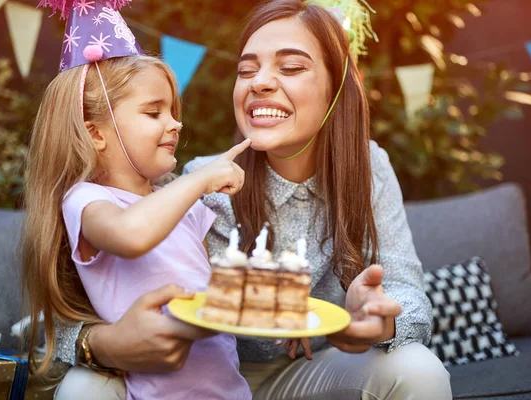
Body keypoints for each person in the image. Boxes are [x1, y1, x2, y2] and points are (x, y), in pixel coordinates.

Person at [52, 0, 453, 399]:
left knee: (417, 369)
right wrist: (101, 346)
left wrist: (379, 320)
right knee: (82, 386)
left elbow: (407, 293)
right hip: (202, 380)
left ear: (336, 86)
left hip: (314, 376)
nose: (259, 82)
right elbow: (64, 314)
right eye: (246, 70)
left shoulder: (370, 167)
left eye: (291, 67)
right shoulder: (198, 186)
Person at [21, 1, 253, 399]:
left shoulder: (183, 208)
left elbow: (213, 294)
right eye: (154, 112)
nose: (176, 123)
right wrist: (198, 180)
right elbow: (130, 235)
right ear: (96, 133)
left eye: (174, 111)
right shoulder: (86, 200)